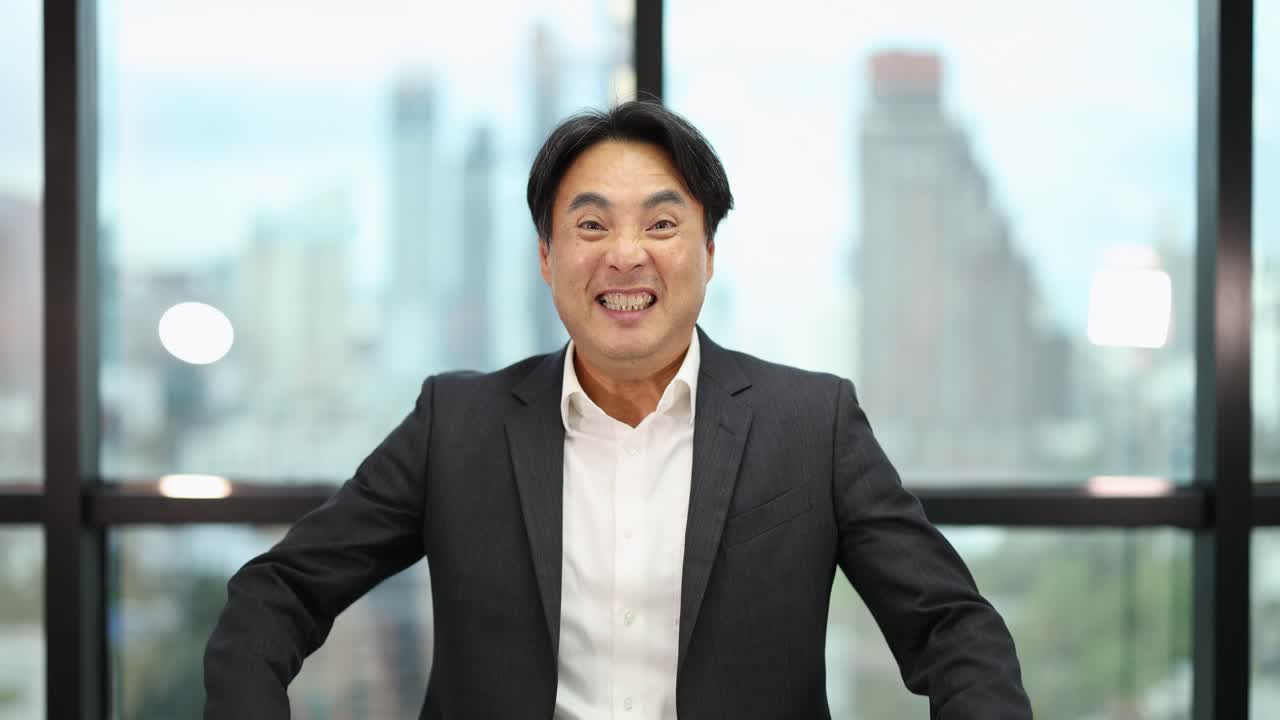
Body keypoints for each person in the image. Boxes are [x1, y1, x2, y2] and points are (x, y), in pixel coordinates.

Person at [204, 100, 1032, 719]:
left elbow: (953, 628)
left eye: (662, 223)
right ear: (546, 256)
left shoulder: (810, 424)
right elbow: (279, 590)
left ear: (707, 253)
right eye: (591, 224)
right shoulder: (454, 426)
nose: (625, 254)